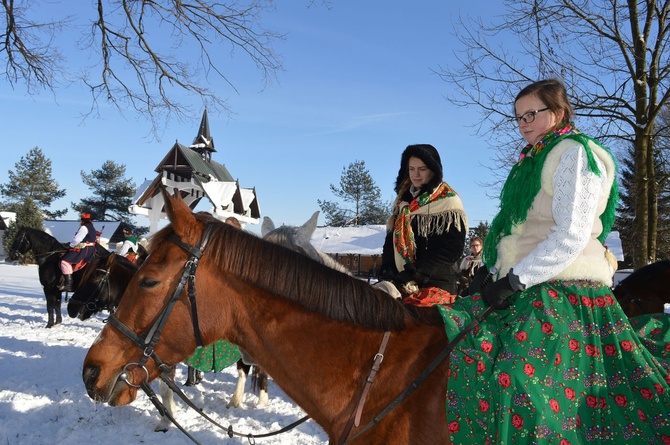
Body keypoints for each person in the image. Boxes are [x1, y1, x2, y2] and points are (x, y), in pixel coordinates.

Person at [438, 79, 670, 443]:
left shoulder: (573, 153)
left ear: (559, 113)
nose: (523, 123)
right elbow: (522, 230)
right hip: (531, 282)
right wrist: (492, 271)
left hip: (564, 287)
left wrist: (515, 279)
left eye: (532, 114)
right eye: (518, 117)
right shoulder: (533, 161)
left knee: (519, 378)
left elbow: (571, 235)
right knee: (460, 348)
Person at [379, 143, 467, 306]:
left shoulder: (448, 202)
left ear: (433, 170)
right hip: (401, 281)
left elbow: (449, 250)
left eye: (422, 169)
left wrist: (416, 273)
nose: (416, 174)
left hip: (435, 283)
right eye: (411, 169)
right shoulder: (402, 202)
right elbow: (391, 241)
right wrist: (387, 269)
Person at [59, 213, 97, 292]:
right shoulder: (92, 227)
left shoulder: (84, 227)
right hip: (91, 248)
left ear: (82, 220)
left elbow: (76, 240)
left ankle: (68, 284)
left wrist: (70, 245)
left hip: (85, 249)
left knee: (64, 262)